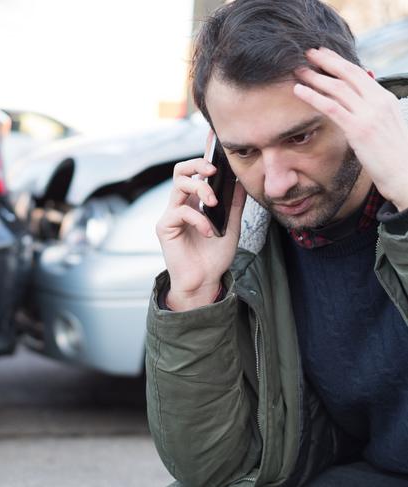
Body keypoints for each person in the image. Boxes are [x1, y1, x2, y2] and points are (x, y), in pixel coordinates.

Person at [146, 1, 408, 486]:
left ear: (364, 100)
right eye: (243, 151)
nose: (277, 182)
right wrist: (195, 298)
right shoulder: (246, 245)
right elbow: (211, 469)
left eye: (302, 137)